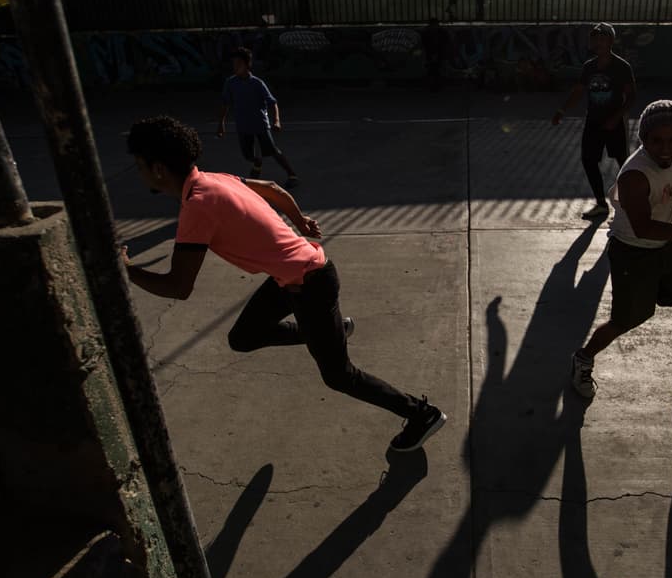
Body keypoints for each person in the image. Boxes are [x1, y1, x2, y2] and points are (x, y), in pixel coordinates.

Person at [122, 115, 446, 453]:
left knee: (339, 377)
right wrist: (300, 221)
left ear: (158, 168)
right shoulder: (214, 180)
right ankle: (326, 331)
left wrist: (126, 270)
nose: (139, 171)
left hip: (311, 284)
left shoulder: (197, 208)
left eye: (139, 165)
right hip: (293, 279)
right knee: (243, 337)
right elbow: (275, 190)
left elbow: (178, 287)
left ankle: (422, 414)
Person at [570, 100, 672, 406]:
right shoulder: (635, 176)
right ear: (643, 139)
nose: (666, 148)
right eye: (656, 141)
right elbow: (643, 229)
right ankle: (583, 358)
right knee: (628, 319)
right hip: (633, 252)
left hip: (666, 246)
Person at [552, 22, 636, 219]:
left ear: (611, 41)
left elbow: (631, 97)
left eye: (602, 37)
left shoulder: (622, 66)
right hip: (594, 121)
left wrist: (616, 118)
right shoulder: (589, 67)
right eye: (594, 38)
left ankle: (633, 200)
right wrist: (562, 110)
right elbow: (579, 91)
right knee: (589, 160)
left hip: (614, 123)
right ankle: (601, 204)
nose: (597, 42)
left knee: (624, 162)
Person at [218, 46, 300, 186]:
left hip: (260, 124)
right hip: (243, 125)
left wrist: (277, 121)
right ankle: (257, 162)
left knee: (272, 151)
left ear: (247, 65)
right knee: (247, 155)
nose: (235, 66)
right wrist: (221, 123)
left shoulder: (257, 83)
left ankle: (292, 175)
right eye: (234, 64)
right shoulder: (230, 83)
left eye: (239, 64)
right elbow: (225, 103)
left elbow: (272, 103)